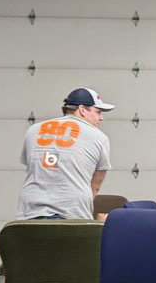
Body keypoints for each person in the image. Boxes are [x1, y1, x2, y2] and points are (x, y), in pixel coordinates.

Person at [17, 86, 114, 221]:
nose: (101, 118)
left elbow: (34, 169)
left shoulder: (33, 131)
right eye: (98, 112)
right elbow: (95, 187)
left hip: (30, 214)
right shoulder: (99, 138)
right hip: (72, 216)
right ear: (82, 110)